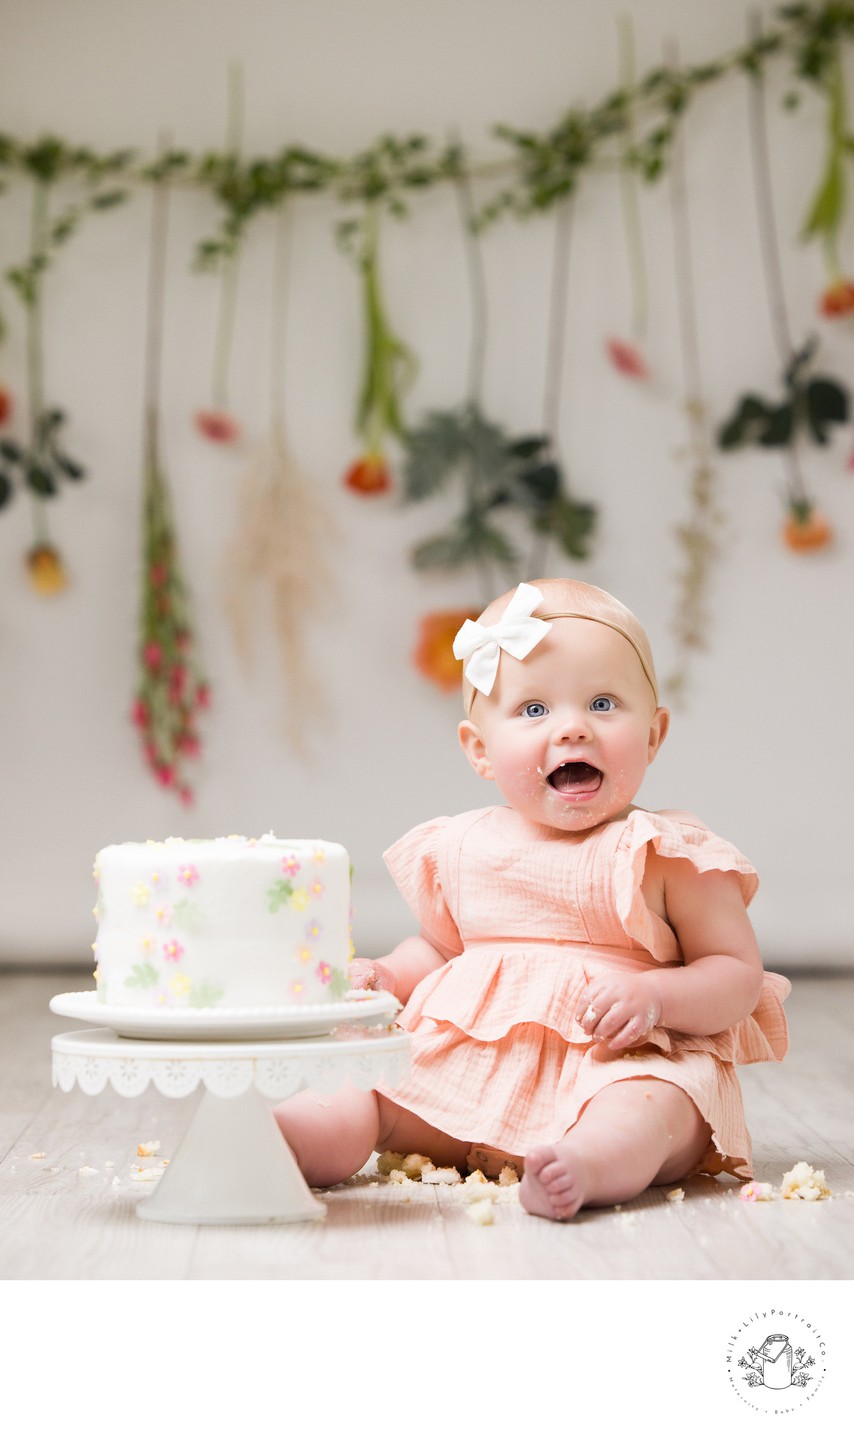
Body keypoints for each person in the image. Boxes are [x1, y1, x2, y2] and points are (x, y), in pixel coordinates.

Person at [273, 578, 789, 1221]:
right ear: (480, 750)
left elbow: (737, 977)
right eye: (534, 710)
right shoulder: (460, 846)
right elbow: (438, 948)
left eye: (602, 703)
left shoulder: (667, 852)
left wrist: (658, 997)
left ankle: (586, 1163)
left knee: (654, 1106)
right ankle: (283, 1141)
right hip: (462, 1075)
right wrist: (385, 976)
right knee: (364, 1086)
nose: (573, 729)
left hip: (611, 1064)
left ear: (654, 735)